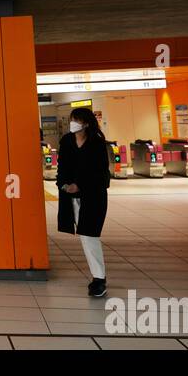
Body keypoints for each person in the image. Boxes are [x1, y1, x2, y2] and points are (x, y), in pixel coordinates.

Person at [55, 107, 110, 297]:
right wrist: (63, 185)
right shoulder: (67, 141)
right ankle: (98, 277)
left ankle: (99, 279)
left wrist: (79, 185)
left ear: (86, 123)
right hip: (71, 197)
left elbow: (100, 172)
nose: (73, 123)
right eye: (72, 119)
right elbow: (62, 167)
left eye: (76, 120)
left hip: (93, 197)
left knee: (89, 235)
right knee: (85, 236)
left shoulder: (97, 143)